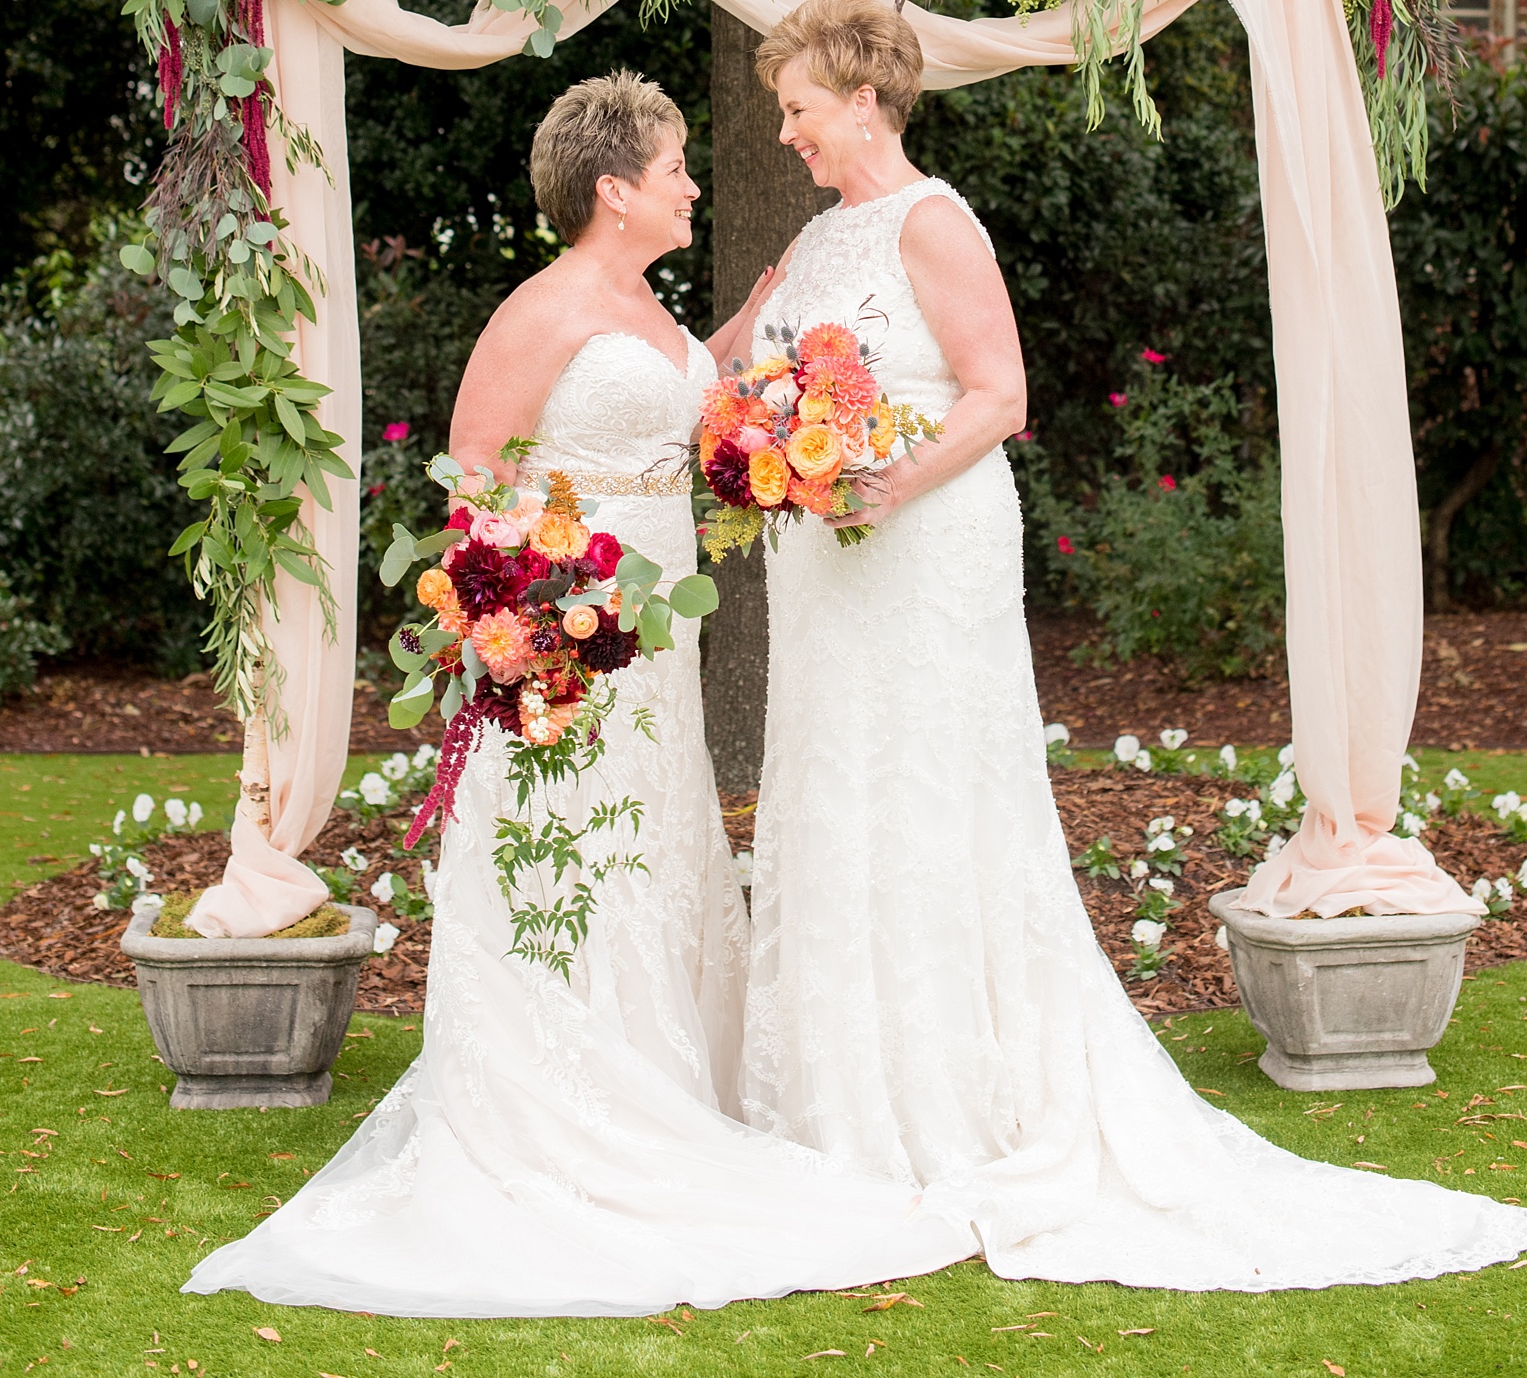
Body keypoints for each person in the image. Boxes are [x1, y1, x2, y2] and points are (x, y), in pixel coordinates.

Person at [731, 0, 1527, 1291]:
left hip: (923, 546)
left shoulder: (933, 224)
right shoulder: (817, 241)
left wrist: (880, 481)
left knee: (935, 801)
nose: (788, 134)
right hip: (827, 573)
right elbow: (737, 376)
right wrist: (755, 434)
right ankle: (837, 1086)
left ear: (864, 98)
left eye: (798, 109)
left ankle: (964, 1094)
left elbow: (1000, 395)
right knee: (837, 800)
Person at [185, 69, 965, 1318]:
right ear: (615, 189)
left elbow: (660, 411)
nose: (692, 183)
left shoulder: (643, 304)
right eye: (673, 170)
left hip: (652, 650)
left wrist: (742, 339)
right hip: (569, 651)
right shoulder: (539, 308)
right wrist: (530, 619)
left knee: (655, 862)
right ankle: (558, 1107)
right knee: (569, 866)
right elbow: (474, 476)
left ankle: (658, 1088)